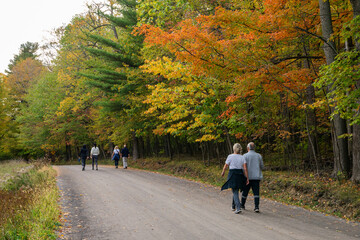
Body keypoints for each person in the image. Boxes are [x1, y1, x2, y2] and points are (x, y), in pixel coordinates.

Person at [221, 143, 249, 214]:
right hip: (240, 175)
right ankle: (233, 206)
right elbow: (245, 168)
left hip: (232, 174)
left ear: (234, 149)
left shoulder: (230, 156)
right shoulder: (242, 157)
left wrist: (223, 172)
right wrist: (247, 178)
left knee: (235, 191)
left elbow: (225, 166)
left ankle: (238, 207)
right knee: (235, 190)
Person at [241, 142, 264, 213]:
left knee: (245, 192)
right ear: (254, 148)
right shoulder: (259, 156)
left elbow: (242, 167)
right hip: (256, 177)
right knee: (256, 193)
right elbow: (262, 166)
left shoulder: (244, 156)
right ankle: (256, 207)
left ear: (248, 148)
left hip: (247, 177)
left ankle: (242, 205)